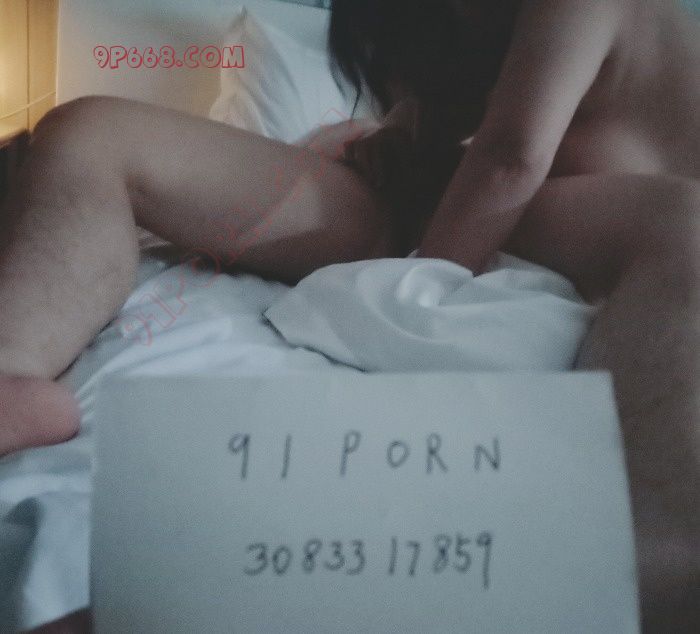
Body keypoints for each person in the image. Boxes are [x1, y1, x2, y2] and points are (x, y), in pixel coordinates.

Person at [0, 0, 696, 630]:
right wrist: (388, 136)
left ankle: (626, 563)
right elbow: (455, 138)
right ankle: (13, 368)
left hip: (596, 222)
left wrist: (416, 281)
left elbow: (511, 157)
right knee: (92, 128)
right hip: (437, 205)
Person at [331, 0, 699, 630]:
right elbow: (484, 138)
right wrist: (402, 129)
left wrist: (422, 288)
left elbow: (510, 156)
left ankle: (644, 568)